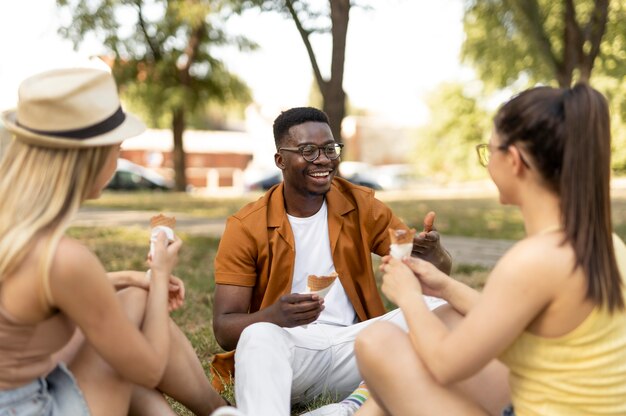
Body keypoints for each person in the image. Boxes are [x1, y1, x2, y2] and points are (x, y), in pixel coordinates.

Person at [355, 83, 626, 415]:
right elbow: (510, 314)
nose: (487, 161)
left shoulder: (533, 261)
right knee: (449, 316)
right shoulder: (601, 240)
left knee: (377, 341)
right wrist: (444, 286)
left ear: (513, 160)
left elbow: (444, 364)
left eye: (489, 150)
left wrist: (409, 295)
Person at [0, 67, 225, 415]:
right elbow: (149, 366)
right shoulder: (63, 258)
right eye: (117, 149)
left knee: (132, 298)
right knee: (128, 353)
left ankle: (223, 412)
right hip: (29, 406)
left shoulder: (14, 228)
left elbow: (27, 299)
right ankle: (221, 411)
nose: (118, 159)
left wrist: (124, 277)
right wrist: (161, 273)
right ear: (89, 158)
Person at [209, 106, 452, 416]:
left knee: (441, 309)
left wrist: (432, 254)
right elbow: (224, 328)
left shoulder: (360, 204)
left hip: (357, 348)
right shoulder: (246, 226)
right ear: (280, 160)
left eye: (329, 148)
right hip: (289, 353)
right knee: (257, 335)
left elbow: (436, 278)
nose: (323, 159)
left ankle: (349, 408)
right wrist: (274, 315)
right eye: (308, 151)